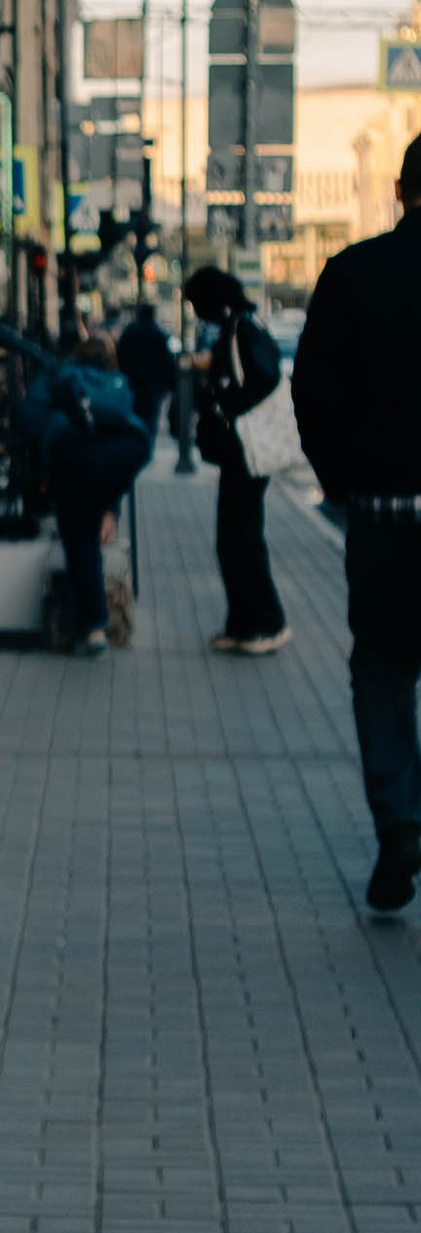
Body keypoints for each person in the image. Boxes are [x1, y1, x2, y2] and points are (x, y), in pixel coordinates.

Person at [290, 132, 421, 914]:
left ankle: (401, 824)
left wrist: (344, 484)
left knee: (382, 667)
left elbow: (311, 395)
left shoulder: (352, 274)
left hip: (381, 520)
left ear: (401, 191)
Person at [19, 330, 150, 657]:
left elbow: (27, 422)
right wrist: (110, 508)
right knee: (90, 526)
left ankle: (94, 629)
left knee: (80, 543)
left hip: (73, 462)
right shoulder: (114, 382)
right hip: (127, 453)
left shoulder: (57, 377)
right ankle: (97, 621)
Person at [186, 266, 289, 656]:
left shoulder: (243, 327)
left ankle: (267, 623)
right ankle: (243, 624)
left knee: (242, 538)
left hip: (248, 451)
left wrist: (228, 406)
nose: (196, 312)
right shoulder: (235, 327)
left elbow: (264, 377)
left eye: (198, 303)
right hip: (239, 453)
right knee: (232, 539)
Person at [116, 297, 178, 453]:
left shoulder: (130, 332)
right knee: (150, 416)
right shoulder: (158, 334)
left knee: (135, 414)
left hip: (133, 381)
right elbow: (167, 360)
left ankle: (136, 443)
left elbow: (121, 355)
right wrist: (171, 383)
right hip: (152, 384)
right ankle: (145, 446)